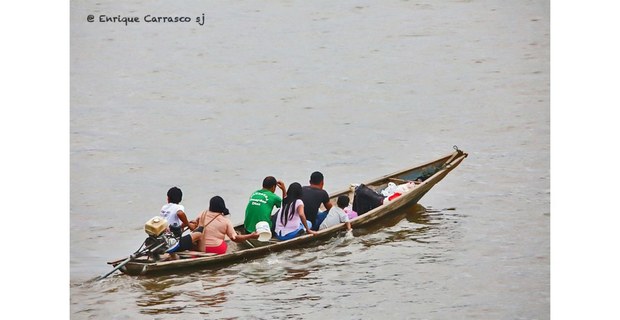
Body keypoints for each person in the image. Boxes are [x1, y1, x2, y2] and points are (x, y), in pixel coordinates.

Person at [195, 196, 259, 255]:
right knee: (227, 239)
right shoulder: (225, 221)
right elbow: (235, 239)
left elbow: (194, 227)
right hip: (216, 248)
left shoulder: (202, 214)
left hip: (200, 247)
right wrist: (250, 236)